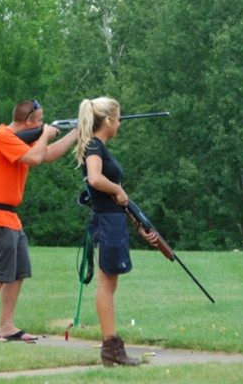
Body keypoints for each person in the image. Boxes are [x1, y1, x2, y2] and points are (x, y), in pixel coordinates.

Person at [0, 99, 78, 341]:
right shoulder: (1, 136)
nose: (43, 123)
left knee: (17, 272)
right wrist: (46, 135)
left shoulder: (19, 140)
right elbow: (35, 159)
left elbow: (46, 155)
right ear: (29, 122)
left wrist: (78, 133)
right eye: (40, 120)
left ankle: (6, 326)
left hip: (9, 217)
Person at [74, 97, 157, 367]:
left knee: (109, 284)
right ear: (108, 121)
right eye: (118, 118)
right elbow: (96, 178)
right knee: (106, 286)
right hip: (108, 221)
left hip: (111, 219)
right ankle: (111, 347)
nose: (120, 124)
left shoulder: (96, 145)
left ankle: (112, 347)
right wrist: (118, 189)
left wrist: (135, 219)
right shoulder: (95, 146)